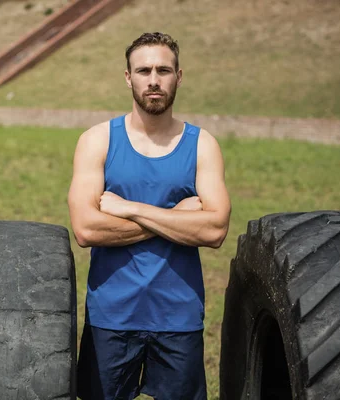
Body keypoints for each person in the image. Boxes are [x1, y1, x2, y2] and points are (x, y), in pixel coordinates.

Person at [68, 32, 231, 400]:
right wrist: (177, 218)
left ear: (179, 76)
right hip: (111, 315)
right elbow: (86, 228)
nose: (154, 80)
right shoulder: (97, 140)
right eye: (143, 70)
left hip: (179, 315)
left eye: (163, 70)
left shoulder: (202, 144)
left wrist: (130, 209)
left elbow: (216, 228)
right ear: (128, 77)